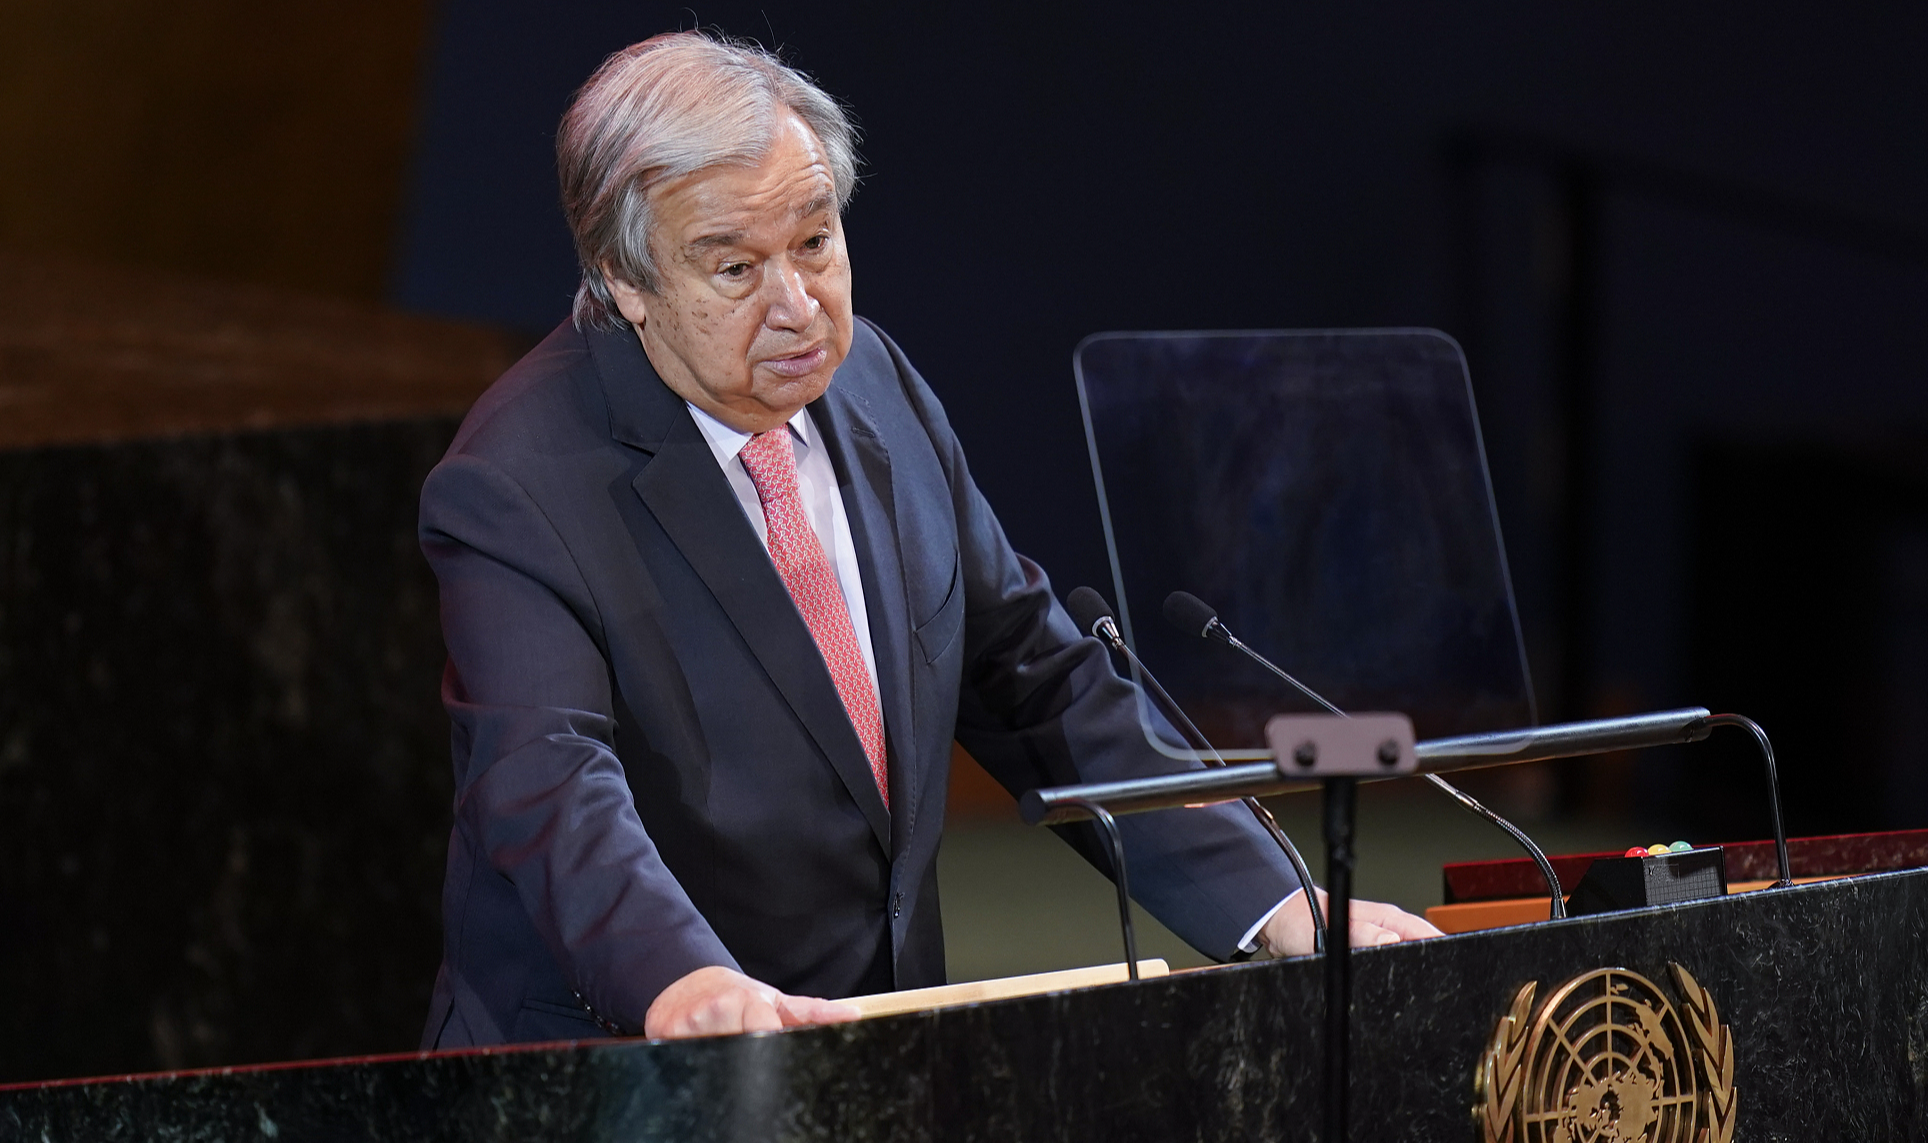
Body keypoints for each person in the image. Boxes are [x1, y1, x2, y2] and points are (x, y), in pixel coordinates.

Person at [417, 30, 1439, 1048]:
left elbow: (1036, 678)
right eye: (735, 268)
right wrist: (683, 983)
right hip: (613, 1064)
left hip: (874, 1041)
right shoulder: (515, 484)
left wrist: (1279, 908)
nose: (796, 307)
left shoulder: (876, 386)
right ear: (623, 280)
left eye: (815, 244)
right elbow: (548, 783)